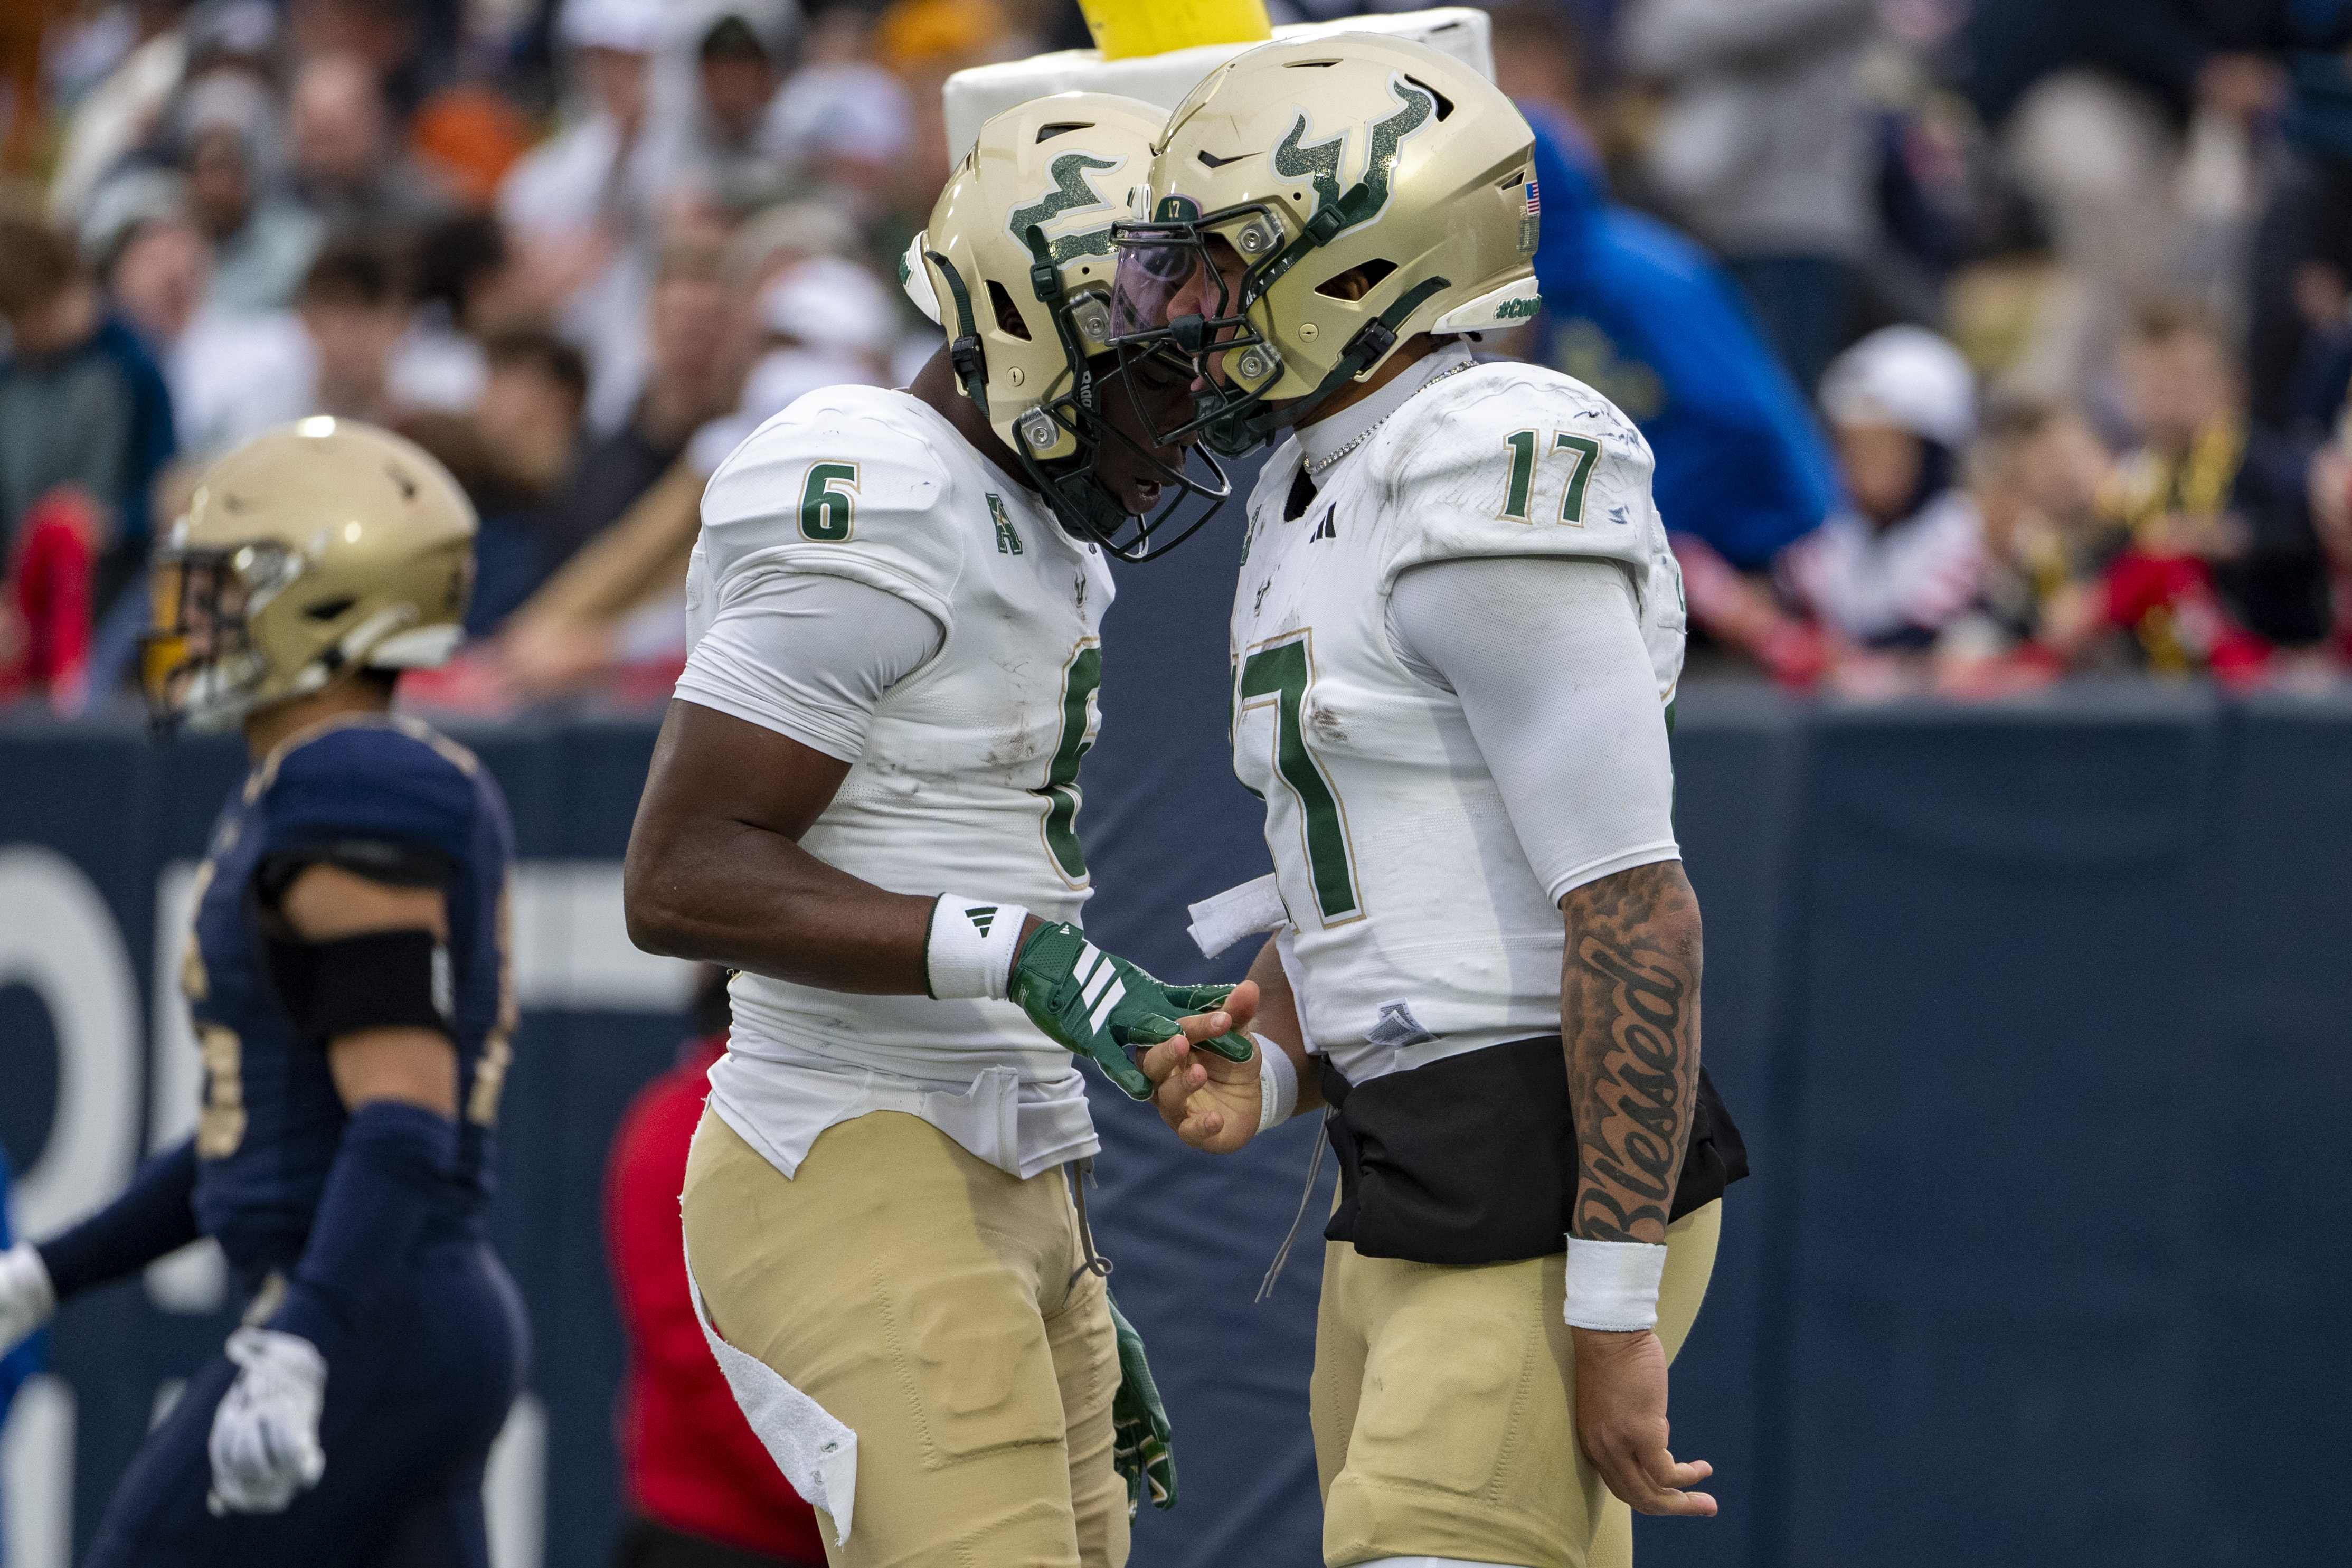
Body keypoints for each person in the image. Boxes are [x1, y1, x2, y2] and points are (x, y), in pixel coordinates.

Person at [1110, 35, 1745, 1568]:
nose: (1185, 307)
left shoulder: (1487, 463)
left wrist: (1607, 1306)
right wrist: (1280, 1052)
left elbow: (1631, 913)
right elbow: (1410, 879)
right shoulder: (1316, 481)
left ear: (1357, 265)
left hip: (1538, 1156)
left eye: (1221, 264)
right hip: (1404, 1160)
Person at [621, 92, 1241, 1567]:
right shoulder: (875, 483)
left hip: (1009, 1174)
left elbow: (946, 837)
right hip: (844, 1143)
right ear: (1029, 338)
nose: (1182, 419)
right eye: (1153, 377)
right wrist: (1013, 954)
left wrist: (1063, 1263)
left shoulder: (1025, 521)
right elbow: (681, 872)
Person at [0, 418, 528, 1566]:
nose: (187, 616)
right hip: (396, 1303)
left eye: (226, 585)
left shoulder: (353, 780)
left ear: (326, 599)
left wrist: (306, 1340)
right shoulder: (326, 778)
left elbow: (400, 1117)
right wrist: (50, 1272)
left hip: (374, 1306)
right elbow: (268, 1132)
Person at [604, 969, 827, 1568]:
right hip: (719, 1539)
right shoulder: (680, 1131)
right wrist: (851, 1499)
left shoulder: (672, 1125)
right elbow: (707, 1368)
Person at [1776, 325, 1986, 660]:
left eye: (1883, 447)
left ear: (1932, 454)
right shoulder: (1831, 533)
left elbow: (1908, 650)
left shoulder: (1964, 537)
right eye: (1850, 446)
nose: (1860, 465)